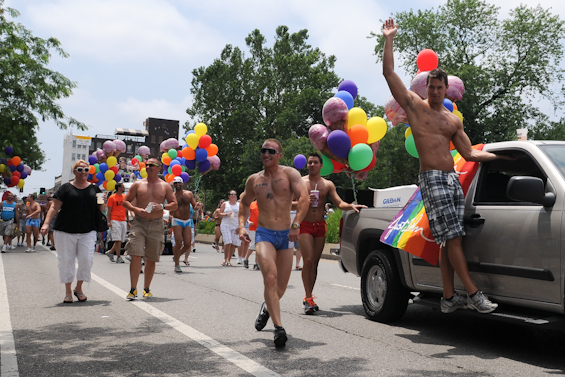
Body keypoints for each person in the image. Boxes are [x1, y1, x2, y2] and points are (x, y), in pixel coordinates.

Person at [382, 18, 502, 314]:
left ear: (447, 89)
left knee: (453, 239)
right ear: (426, 88)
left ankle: (448, 298)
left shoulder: (453, 120)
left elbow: (470, 154)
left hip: (451, 177)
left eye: (439, 87)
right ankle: (473, 294)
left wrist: (501, 158)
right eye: (431, 87)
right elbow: (388, 73)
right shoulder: (414, 106)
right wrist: (389, 39)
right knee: (452, 238)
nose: (435, 91)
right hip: (431, 177)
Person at [238, 138, 309, 348]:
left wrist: (296, 224)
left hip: (286, 235)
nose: (266, 154)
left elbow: (304, 198)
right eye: (263, 151)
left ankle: (267, 309)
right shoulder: (254, 180)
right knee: (270, 278)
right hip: (264, 234)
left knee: (281, 286)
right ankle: (279, 329)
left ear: (279, 155)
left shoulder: (289, 174)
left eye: (271, 151)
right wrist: (242, 226)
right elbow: (244, 202)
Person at [296, 153, 367, 314]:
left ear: (321, 166)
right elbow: (290, 204)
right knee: (307, 260)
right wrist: (303, 201)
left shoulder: (327, 184)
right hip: (304, 225)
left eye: (315, 162)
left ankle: (309, 297)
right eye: (309, 163)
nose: (311, 165)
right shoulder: (300, 182)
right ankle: (307, 297)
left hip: (320, 226)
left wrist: (351, 206)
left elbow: (339, 202)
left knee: (314, 262)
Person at [41, 160, 105, 303]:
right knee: (66, 261)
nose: (83, 172)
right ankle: (68, 291)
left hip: (88, 230)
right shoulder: (65, 188)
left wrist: (102, 201)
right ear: (74, 171)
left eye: (86, 169)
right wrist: (46, 224)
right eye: (80, 169)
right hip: (65, 230)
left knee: (87, 260)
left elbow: (100, 209)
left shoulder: (95, 189)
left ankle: (79, 287)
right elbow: (54, 208)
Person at [122, 157, 177, 300]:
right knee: (135, 253)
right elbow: (125, 201)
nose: (148, 167)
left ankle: (146, 288)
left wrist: (163, 207)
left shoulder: (165, 186)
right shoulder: (137, 184)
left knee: (151, 257)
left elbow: (174, 204)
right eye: (147, 165)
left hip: (157, 224)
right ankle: (133, 289)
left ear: (159, 168)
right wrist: (135, 209)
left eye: (152, 165)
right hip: (139, 223)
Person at [170, 176, 199, 273]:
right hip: (177, 220)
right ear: (173, 185)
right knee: (178, 242)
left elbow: (194, 206)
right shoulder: (172, 196)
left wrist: (197, 206)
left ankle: (176, 256)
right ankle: (177, 265)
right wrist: (170, 216)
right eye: (175, 183)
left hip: (187, 221)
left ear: (182, 183)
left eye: (179, 183)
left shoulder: (189, 194)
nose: (177, 185)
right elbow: (170, 210)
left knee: (187, 244)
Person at [106, 182, 130, 263]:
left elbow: (126, 210)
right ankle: (119, 257)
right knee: (117, 239)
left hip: (123, 220)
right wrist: (108, 221)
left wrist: (128, 221)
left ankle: (111, 252)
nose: (124, 189)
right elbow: (109, 210)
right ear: (119, 188)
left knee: (121, 239)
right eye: (123, 187)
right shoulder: (112, 197)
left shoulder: (124, 197)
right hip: (114, 219)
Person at [219, 190, 241, 266]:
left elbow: (241, 216)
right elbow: (219, 213)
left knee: (233, 244)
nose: (233, 195)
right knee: (228, 242)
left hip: (235, 226)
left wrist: (240, 227)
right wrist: (226, 214)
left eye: (234, 194)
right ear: (228, 196)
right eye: (231, 194)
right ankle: (225, 258)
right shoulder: (225, 204)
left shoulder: (239, 205)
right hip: (226, 225)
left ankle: (229, 260)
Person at [243, 200, 259, 270]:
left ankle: (256, 263)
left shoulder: (265, 203)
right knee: (254, 244)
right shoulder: (251, 204)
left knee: (259, 245)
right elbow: (244, 215)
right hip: (252, 227)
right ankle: (246, 258)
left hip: (262, 227)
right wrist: (248, 221)